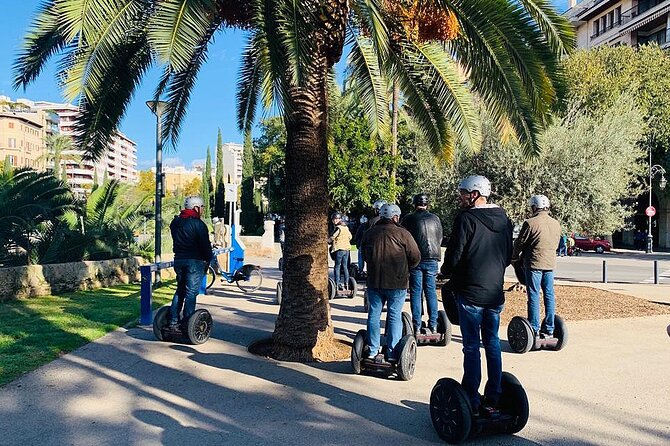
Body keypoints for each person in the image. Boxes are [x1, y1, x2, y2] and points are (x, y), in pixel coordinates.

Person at [441, 175, 513, 417]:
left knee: (471, 346)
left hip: (470, 293)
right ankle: (494, 396)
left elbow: (454, 254)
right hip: (494, 293)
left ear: (475, 194)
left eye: (463, 192)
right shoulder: (504, 218)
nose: (460, 196)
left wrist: (446, 273)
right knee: (492, 343)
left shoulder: (466, 218)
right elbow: (508, 254)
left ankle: (471, 396)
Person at [362, 203, 421, 362]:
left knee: (374, 314)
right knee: (394, 315)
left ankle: (373, 350)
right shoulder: (403, 234)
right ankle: (392, 351)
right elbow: (415, 256)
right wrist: (407, 266)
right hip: (397, 282)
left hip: (375, 281)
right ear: (396, 217)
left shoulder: (369, 233)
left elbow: (364, 255)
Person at [512, 194, 562, 344]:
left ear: (534, 207)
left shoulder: (530, 223)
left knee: (533, 295)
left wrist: (514, 257)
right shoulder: (556, 223)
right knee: (549, 295)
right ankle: (549, 328)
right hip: (550, 264)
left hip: (534, 264)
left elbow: (519, 243)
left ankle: (533, 328)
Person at [401, 193, 443, 335]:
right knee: (430, 291)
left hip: (416, 258)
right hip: (432, 258)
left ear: (414, 204)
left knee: (416, 291)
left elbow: (403, 238)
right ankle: (434, 324)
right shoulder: (435, 218)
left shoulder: (408, 219)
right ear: (427, 204)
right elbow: (440, 237)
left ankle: (417, 324)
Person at [169, 196, 213, 330]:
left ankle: (173, 321)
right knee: (191, 292)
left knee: (180, 290)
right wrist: (208, 259)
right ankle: (187, 323)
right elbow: (205, 245)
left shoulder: (175, 222)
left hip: (179, 259)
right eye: (202, 207)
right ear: (196, 207)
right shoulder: (198, 224)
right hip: (194, 261)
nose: (203, 210)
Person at [329, 212, 352, 290]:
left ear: (339, 219)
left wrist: (328, 241)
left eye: (336, 219)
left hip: (339, 249)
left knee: (337, 266)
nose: (335, 221)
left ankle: (337, 283)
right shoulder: (346, 227)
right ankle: (347, 283)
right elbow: (350, 237)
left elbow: (332, 237)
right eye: (334, 219)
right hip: (347, 250)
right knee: (345, 266)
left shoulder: (338, 228)